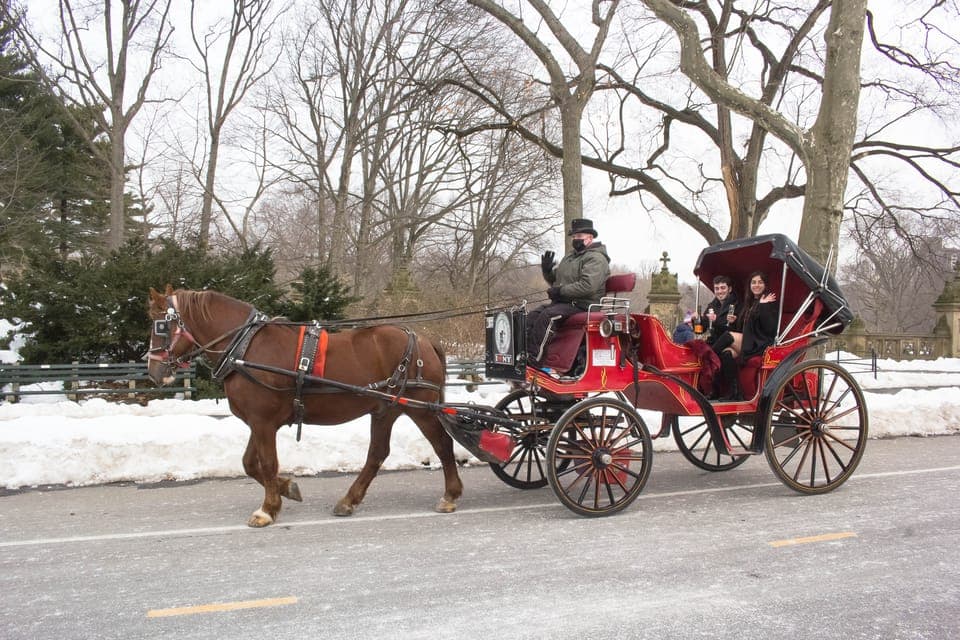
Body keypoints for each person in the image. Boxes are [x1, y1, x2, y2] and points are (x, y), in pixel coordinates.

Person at [527, 218, 611, 365]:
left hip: (583, 304)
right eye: (573, 237)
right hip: (566, 302)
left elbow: (588, 286)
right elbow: (557, 281)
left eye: (579, 237)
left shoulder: (596, 258)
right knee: (532, 316)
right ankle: (523, 353)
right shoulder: (570, 257)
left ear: (590, 237)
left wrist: (560, 292)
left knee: (548, 316)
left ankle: (534, 360)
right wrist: (547, 271)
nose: (575, 240)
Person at [709, 271, 778, 401]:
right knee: (726, 353)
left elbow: (770, 328)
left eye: (760, 282)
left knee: (728, 337)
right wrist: (735, 320)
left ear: (765, 285)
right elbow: (747, 325)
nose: (756, 285)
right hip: (749, 340)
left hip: (760, 342)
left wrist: (763, 307)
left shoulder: (769, 300)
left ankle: (708, 357)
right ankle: (734, 393)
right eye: (753, 282)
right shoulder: (751, 301)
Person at [700, 275, 740, 345]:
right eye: (717, 289)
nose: (720, 291)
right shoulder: (712, 306)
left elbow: (734, 331)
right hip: (712, 341)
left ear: (729, 289)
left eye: (723, 288)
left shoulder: (737, 305)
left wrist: (716, 320)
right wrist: (697, 320)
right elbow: (701, 329)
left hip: (730, 343)